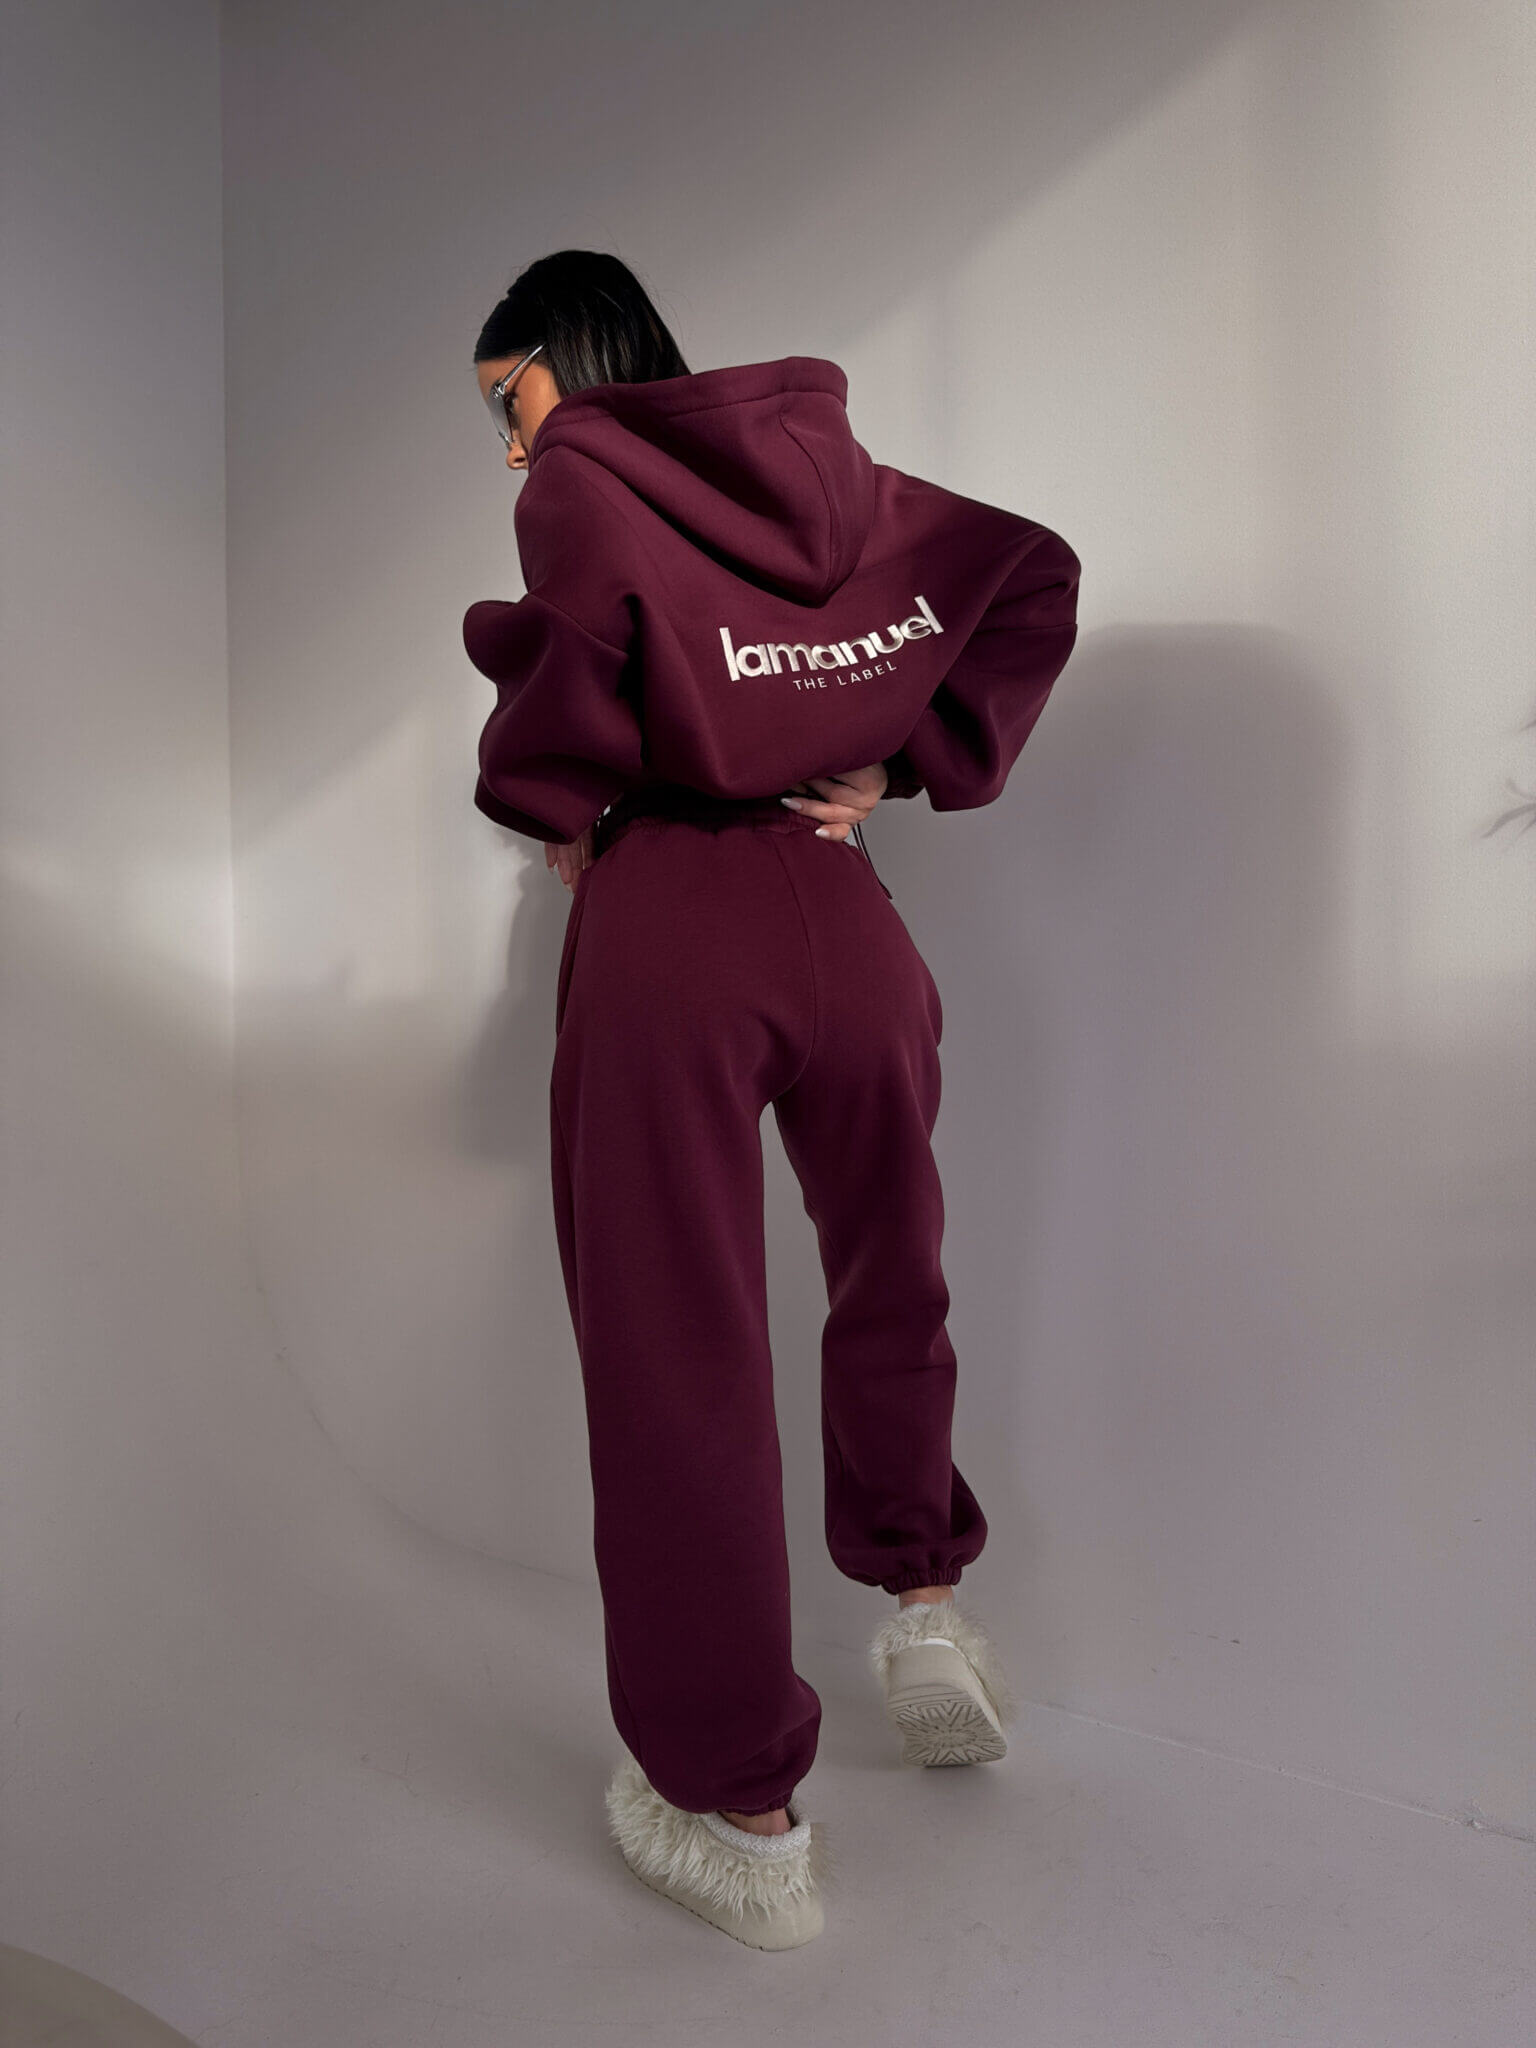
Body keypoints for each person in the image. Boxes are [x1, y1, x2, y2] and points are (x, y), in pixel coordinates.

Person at [464, 249, 1081, 1948]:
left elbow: (562, 685)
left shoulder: (582, 475)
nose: (511, 442)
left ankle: (738, 1812)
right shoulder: (837, 477)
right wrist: (905, 757)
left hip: (675, 918)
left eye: (507, 396)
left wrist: (562, 816)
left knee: (680, 1344)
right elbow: (1028, 573)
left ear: (568, 356)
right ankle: (927, 1602)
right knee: (891, 1263)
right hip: (849, 922)